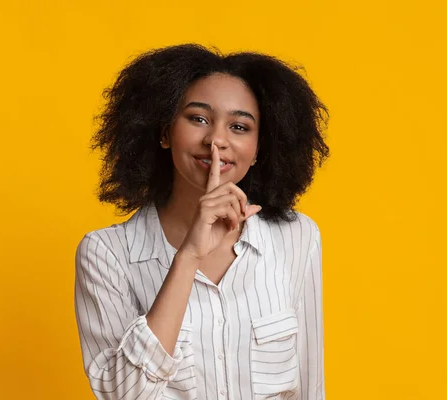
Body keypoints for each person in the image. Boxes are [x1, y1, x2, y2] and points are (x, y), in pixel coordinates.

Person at [74, 43, 330, 400]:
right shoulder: (107, 254)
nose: (216, 140)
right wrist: (188, 257)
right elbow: (121, 394)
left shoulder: (297, 238)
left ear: (258, 150)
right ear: (163, 132)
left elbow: (310, 385)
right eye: (198, 119)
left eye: (239, 126)